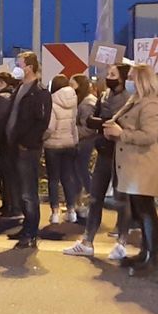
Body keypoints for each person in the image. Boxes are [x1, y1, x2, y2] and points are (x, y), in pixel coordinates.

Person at [105, 64, 158, 276]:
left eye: (132, 77)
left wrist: (121, 133)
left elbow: (149, 136)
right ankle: (145, 253)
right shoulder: (135, 101)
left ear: (141, 80)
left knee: (146, 211)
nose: (128, 81)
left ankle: (154, 260)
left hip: (143, 164)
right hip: (132, 164)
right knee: (140, 212)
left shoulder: (151, 104)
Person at [63, 64, 131, 259]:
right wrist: (100, 122)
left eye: (112, 74)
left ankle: (121, 242)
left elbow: (123, 124)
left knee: (121, 199)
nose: (108, 77)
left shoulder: (128, 99)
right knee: (95, 197)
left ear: (123, 78)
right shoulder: (104, 96)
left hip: (121, 152)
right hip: (104, 150)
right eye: (108, 73)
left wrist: (107, 123)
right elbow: (99, 119)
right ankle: (87, 241)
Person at [4, 51, 51, 247]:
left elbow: (41, 123)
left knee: (28, 192)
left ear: (29, 67)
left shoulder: (39, 92)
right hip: (15, 146)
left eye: (19, 63)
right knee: (21, 191)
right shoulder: (19, 89)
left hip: (28, 149)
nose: (17, 67)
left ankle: (31, 232)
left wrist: (27, 142)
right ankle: (26, 226)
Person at [44, 74, 81, 224]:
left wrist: (42, 138)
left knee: (53, 179)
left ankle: (55, 213)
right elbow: (74, 125)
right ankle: (71, 210)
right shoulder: (73, 101)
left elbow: (50, 127)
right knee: (68, 177)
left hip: (53, 145)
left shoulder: (52, 102)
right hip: (70, 143)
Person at [0, 72, 20, 219]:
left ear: (2, 83)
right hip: (9, 141)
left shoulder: (4, 98)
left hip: (6, 141)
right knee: (5, 173)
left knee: (7, 174)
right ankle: (9, 204)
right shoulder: (12, 96)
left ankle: (12, 207)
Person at [71, 73, 98, 219]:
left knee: (82, 171)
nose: (70, 88)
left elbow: (89, 128)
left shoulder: (87, 103)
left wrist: (72, 131)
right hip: (81, 141)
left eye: (72, 85)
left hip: (85, 142)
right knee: (78, 171)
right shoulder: (83, 100)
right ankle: (81, 202)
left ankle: (90, 201)